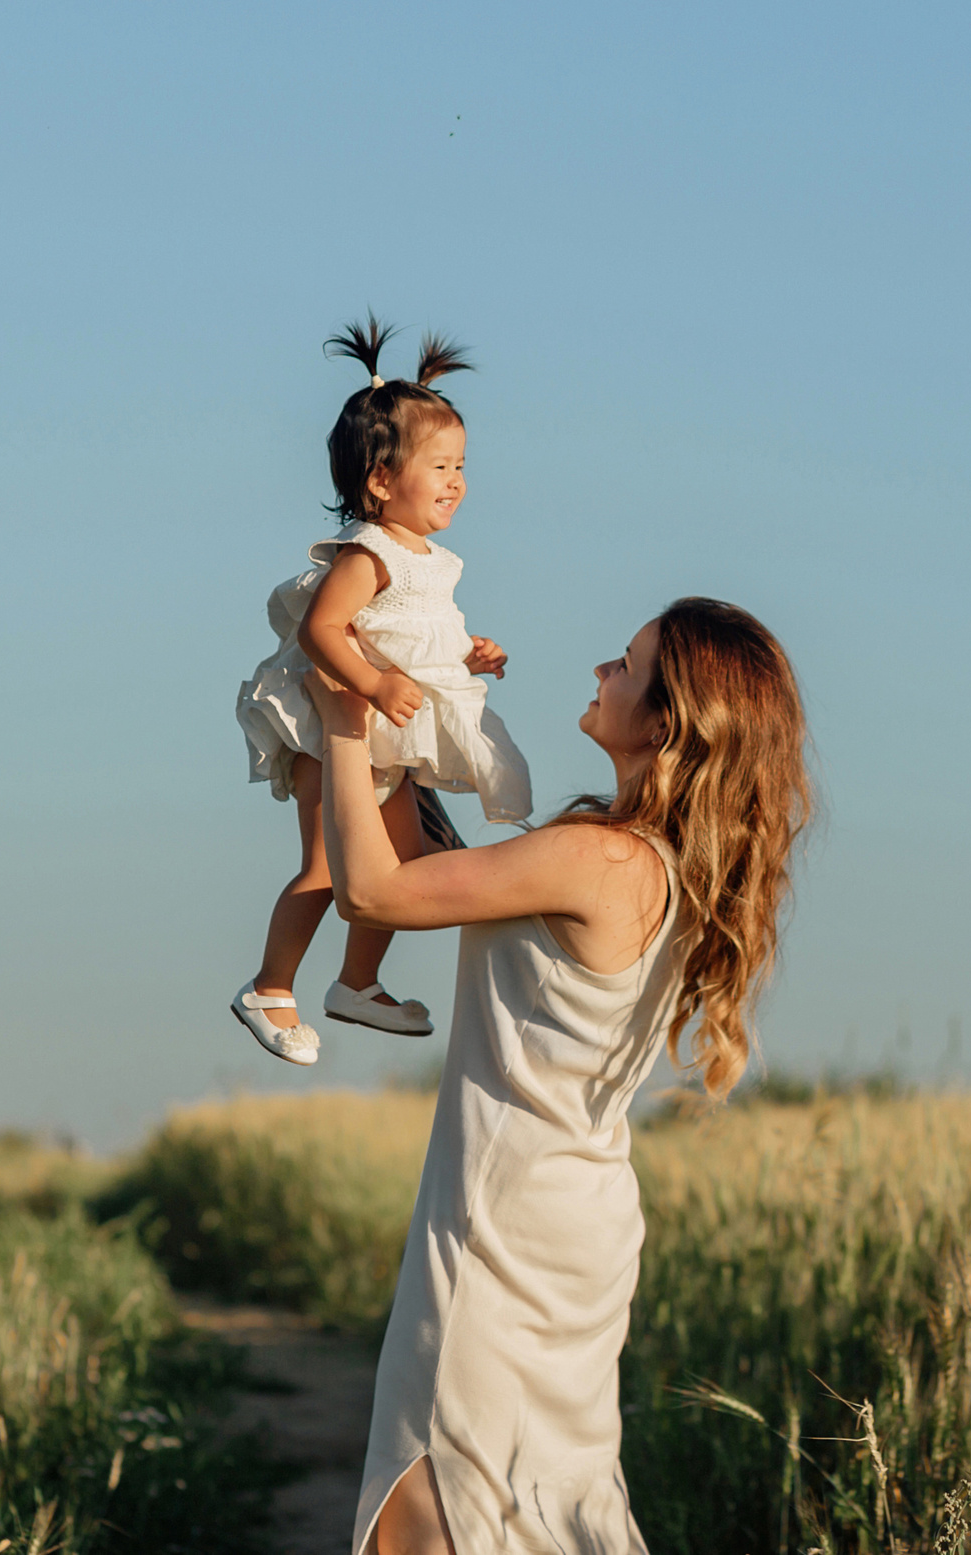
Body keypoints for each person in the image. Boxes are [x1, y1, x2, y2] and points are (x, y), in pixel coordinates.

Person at [309, 598, 812, 1555]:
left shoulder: (595, 859)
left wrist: (341, 715)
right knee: (544, 1500)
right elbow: (451, 878)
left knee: (436, 1506)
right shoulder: (659, 869)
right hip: (577, 1219)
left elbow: (372, 891)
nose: (599, 672)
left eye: (625, 665)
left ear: (668, 720)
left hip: (502, 1222)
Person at [230, 316, 533, 1066]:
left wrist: (470, 650)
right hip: (329, 730)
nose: (458, 480)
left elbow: (418, 635)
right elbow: (322, 631)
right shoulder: (366, 553)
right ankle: (269, 987)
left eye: (462, 464)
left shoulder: (428, 557)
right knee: (332, 870)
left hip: (382, 740)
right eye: (440, 466)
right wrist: (367, 681)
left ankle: (357, 983)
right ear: (379, 480)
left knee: (398, 869)